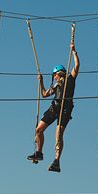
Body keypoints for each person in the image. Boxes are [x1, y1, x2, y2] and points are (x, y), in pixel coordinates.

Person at [27, 43, 79, 172]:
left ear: (58, 74)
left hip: (65, 109)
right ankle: (39, 153)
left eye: (55, 75)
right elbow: (44, 94)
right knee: (38, 130)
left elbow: (77, 66)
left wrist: (74, 52)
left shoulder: (70, 79)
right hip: (55, 107)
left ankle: (56, 160)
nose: (54, 77)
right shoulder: (55, 86)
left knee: (58, 134)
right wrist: (41, 82)